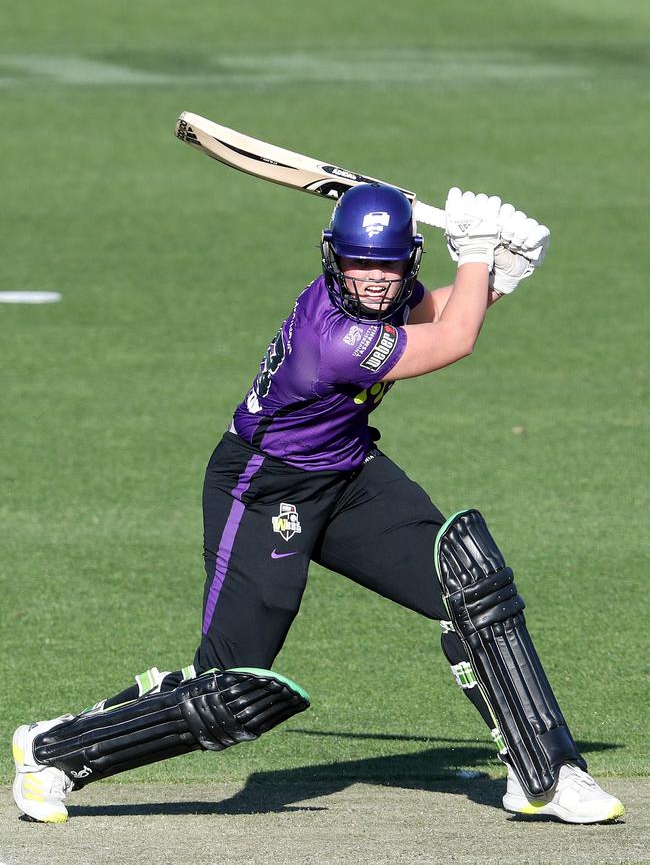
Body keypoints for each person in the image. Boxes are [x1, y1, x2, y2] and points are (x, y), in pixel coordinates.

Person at [12, 184, 623, 825]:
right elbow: (453, 341)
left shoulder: (378, 295)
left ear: (406, 260)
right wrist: (475, 255)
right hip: (264, 490)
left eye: (388, 265)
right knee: (231, 690)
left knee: (471, 586)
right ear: (334, 258)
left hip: (351, 475)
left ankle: (548, 775)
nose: (377, 281)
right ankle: (53, 750)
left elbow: (436, 316)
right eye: (361, 263)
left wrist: (499, 275)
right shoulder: (332, 338)